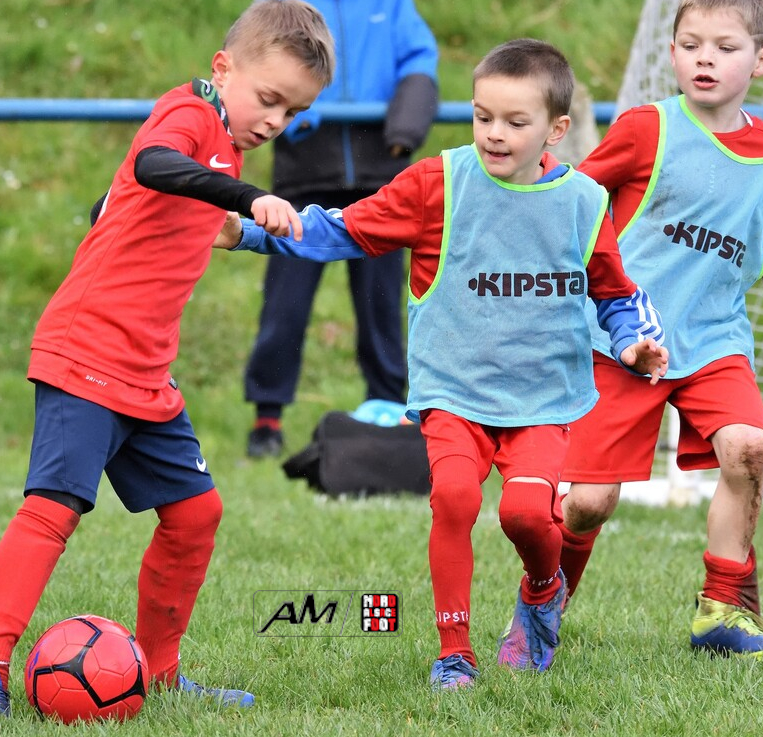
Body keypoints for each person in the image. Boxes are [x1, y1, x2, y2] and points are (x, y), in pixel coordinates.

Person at [217, 38, 669, 688]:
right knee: (454, 497)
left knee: (523, 514)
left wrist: (631, 343)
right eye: (483, 116)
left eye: (515, 122)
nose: (494, 133)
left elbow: (615, 295)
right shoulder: (439, 184)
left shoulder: (583, 203)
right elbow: (345, 229)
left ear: (556, 130)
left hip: (543, 399)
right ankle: (454, 652)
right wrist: (249, 232)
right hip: (454, 392)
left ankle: (544, 588)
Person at [0, 0, 334, 724]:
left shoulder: (225, 143)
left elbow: (121, 200)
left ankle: (159, 672)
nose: (276, 120)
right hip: (87, 349)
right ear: (224, 68)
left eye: (294, 112)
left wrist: (220, 225)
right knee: (54, 509)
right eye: (270, 98)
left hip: (147, 370)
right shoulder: (190, 111)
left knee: (195, 515)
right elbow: (154, 164)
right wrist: (249, 197)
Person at [558, 0, 763, 659]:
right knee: (587, 505)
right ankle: (541, 608)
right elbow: (575, 199)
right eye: (691, 44)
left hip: (713, 338)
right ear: (671, 53)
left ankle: (721, 613)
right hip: (623, 339)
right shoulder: (647, 128)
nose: (705, 58)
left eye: (725, 47)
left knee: (748, 448)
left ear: (761, 60)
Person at [242, 0, 440, 459]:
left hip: (380, 173)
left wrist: (407, 126)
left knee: (381, 304)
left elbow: (418, 58)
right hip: (304, 170)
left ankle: (387, 411)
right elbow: (259, 65)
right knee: (286, 303)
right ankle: (267, 419)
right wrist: (298, 116)